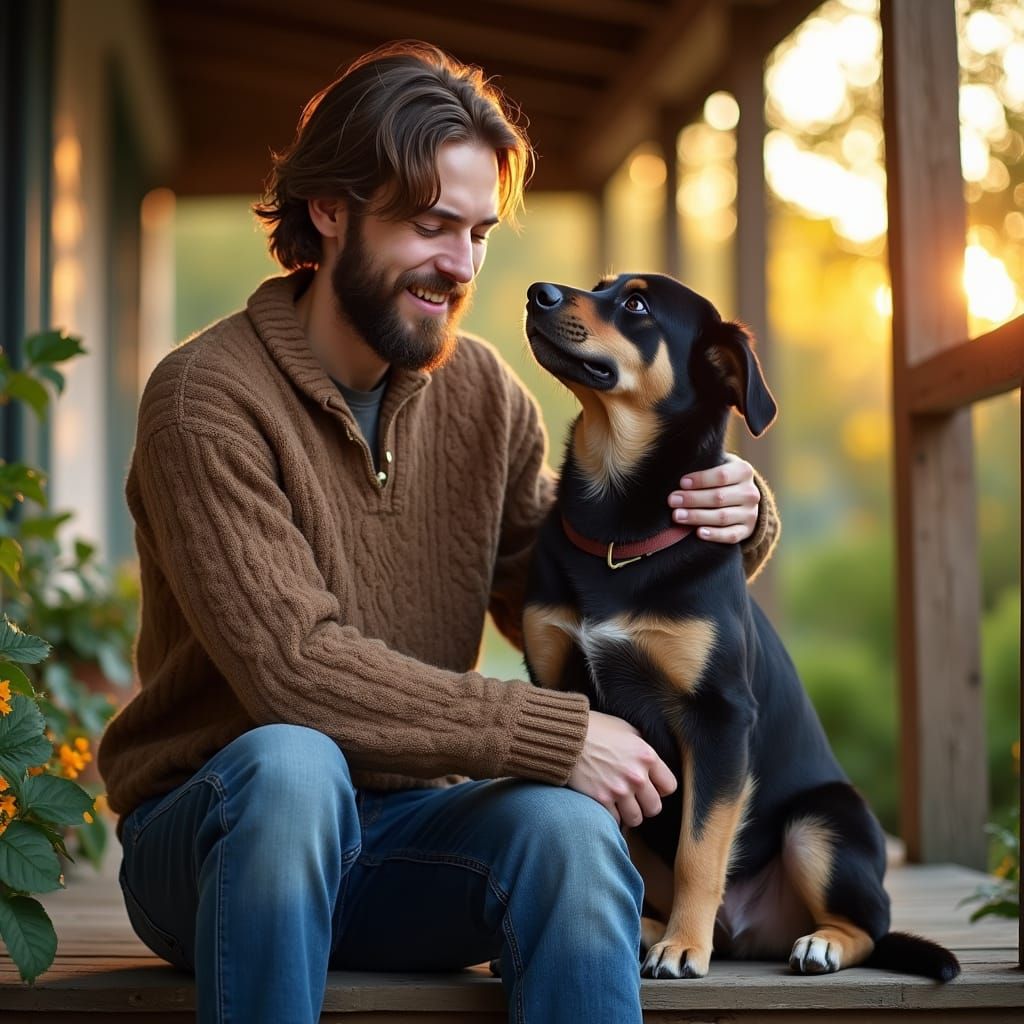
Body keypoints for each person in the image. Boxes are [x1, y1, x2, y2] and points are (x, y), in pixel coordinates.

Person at [98, 41, 778, 1024]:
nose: (458, 265)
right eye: (428, 226)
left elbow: (572, 582)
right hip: (220, 841)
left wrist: (732, 514)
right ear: (329, 211)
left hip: (415, 836)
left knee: (569, 833)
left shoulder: (488, 398)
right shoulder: (205, 399)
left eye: (478, 233)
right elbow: (295, 669)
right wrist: (549, 733)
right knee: (294, 764)